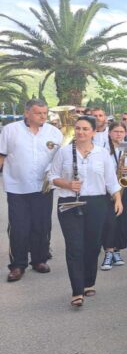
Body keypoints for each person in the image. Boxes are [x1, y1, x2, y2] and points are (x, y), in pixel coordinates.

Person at [49, 116, 123, 307]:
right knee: (75, 247)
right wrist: (67, 183)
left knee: (92, 245)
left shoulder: (102, 153)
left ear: (93, 132)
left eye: (85, 129)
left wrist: (118, 198)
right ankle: (76, 290)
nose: (81, 132)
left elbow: (111, 180)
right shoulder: (64, 152)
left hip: (96, 203)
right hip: (69, 203)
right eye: (78, 128)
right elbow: (52, 176)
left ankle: (89, 282)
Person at [0, 99, 62, 281]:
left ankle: (39, 260)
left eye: (45, 113)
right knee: (19, 227)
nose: (43, 116)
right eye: (38, 113)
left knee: (41, 225)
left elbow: (60, 158)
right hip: (17, 187)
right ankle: (18, 265)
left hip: (43, 187)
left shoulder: (55, 132)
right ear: (26, 113)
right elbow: (2, 155)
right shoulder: (10, 130)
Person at [100, 122, 127, 270]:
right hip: (107, 187)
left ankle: (117, 251)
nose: (119, 134)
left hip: (124, 185)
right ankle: (108, 251)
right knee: (109, 221)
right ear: (109, 133)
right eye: (115, 131)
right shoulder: (103, 147)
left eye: (122, 131)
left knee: (122, 220)